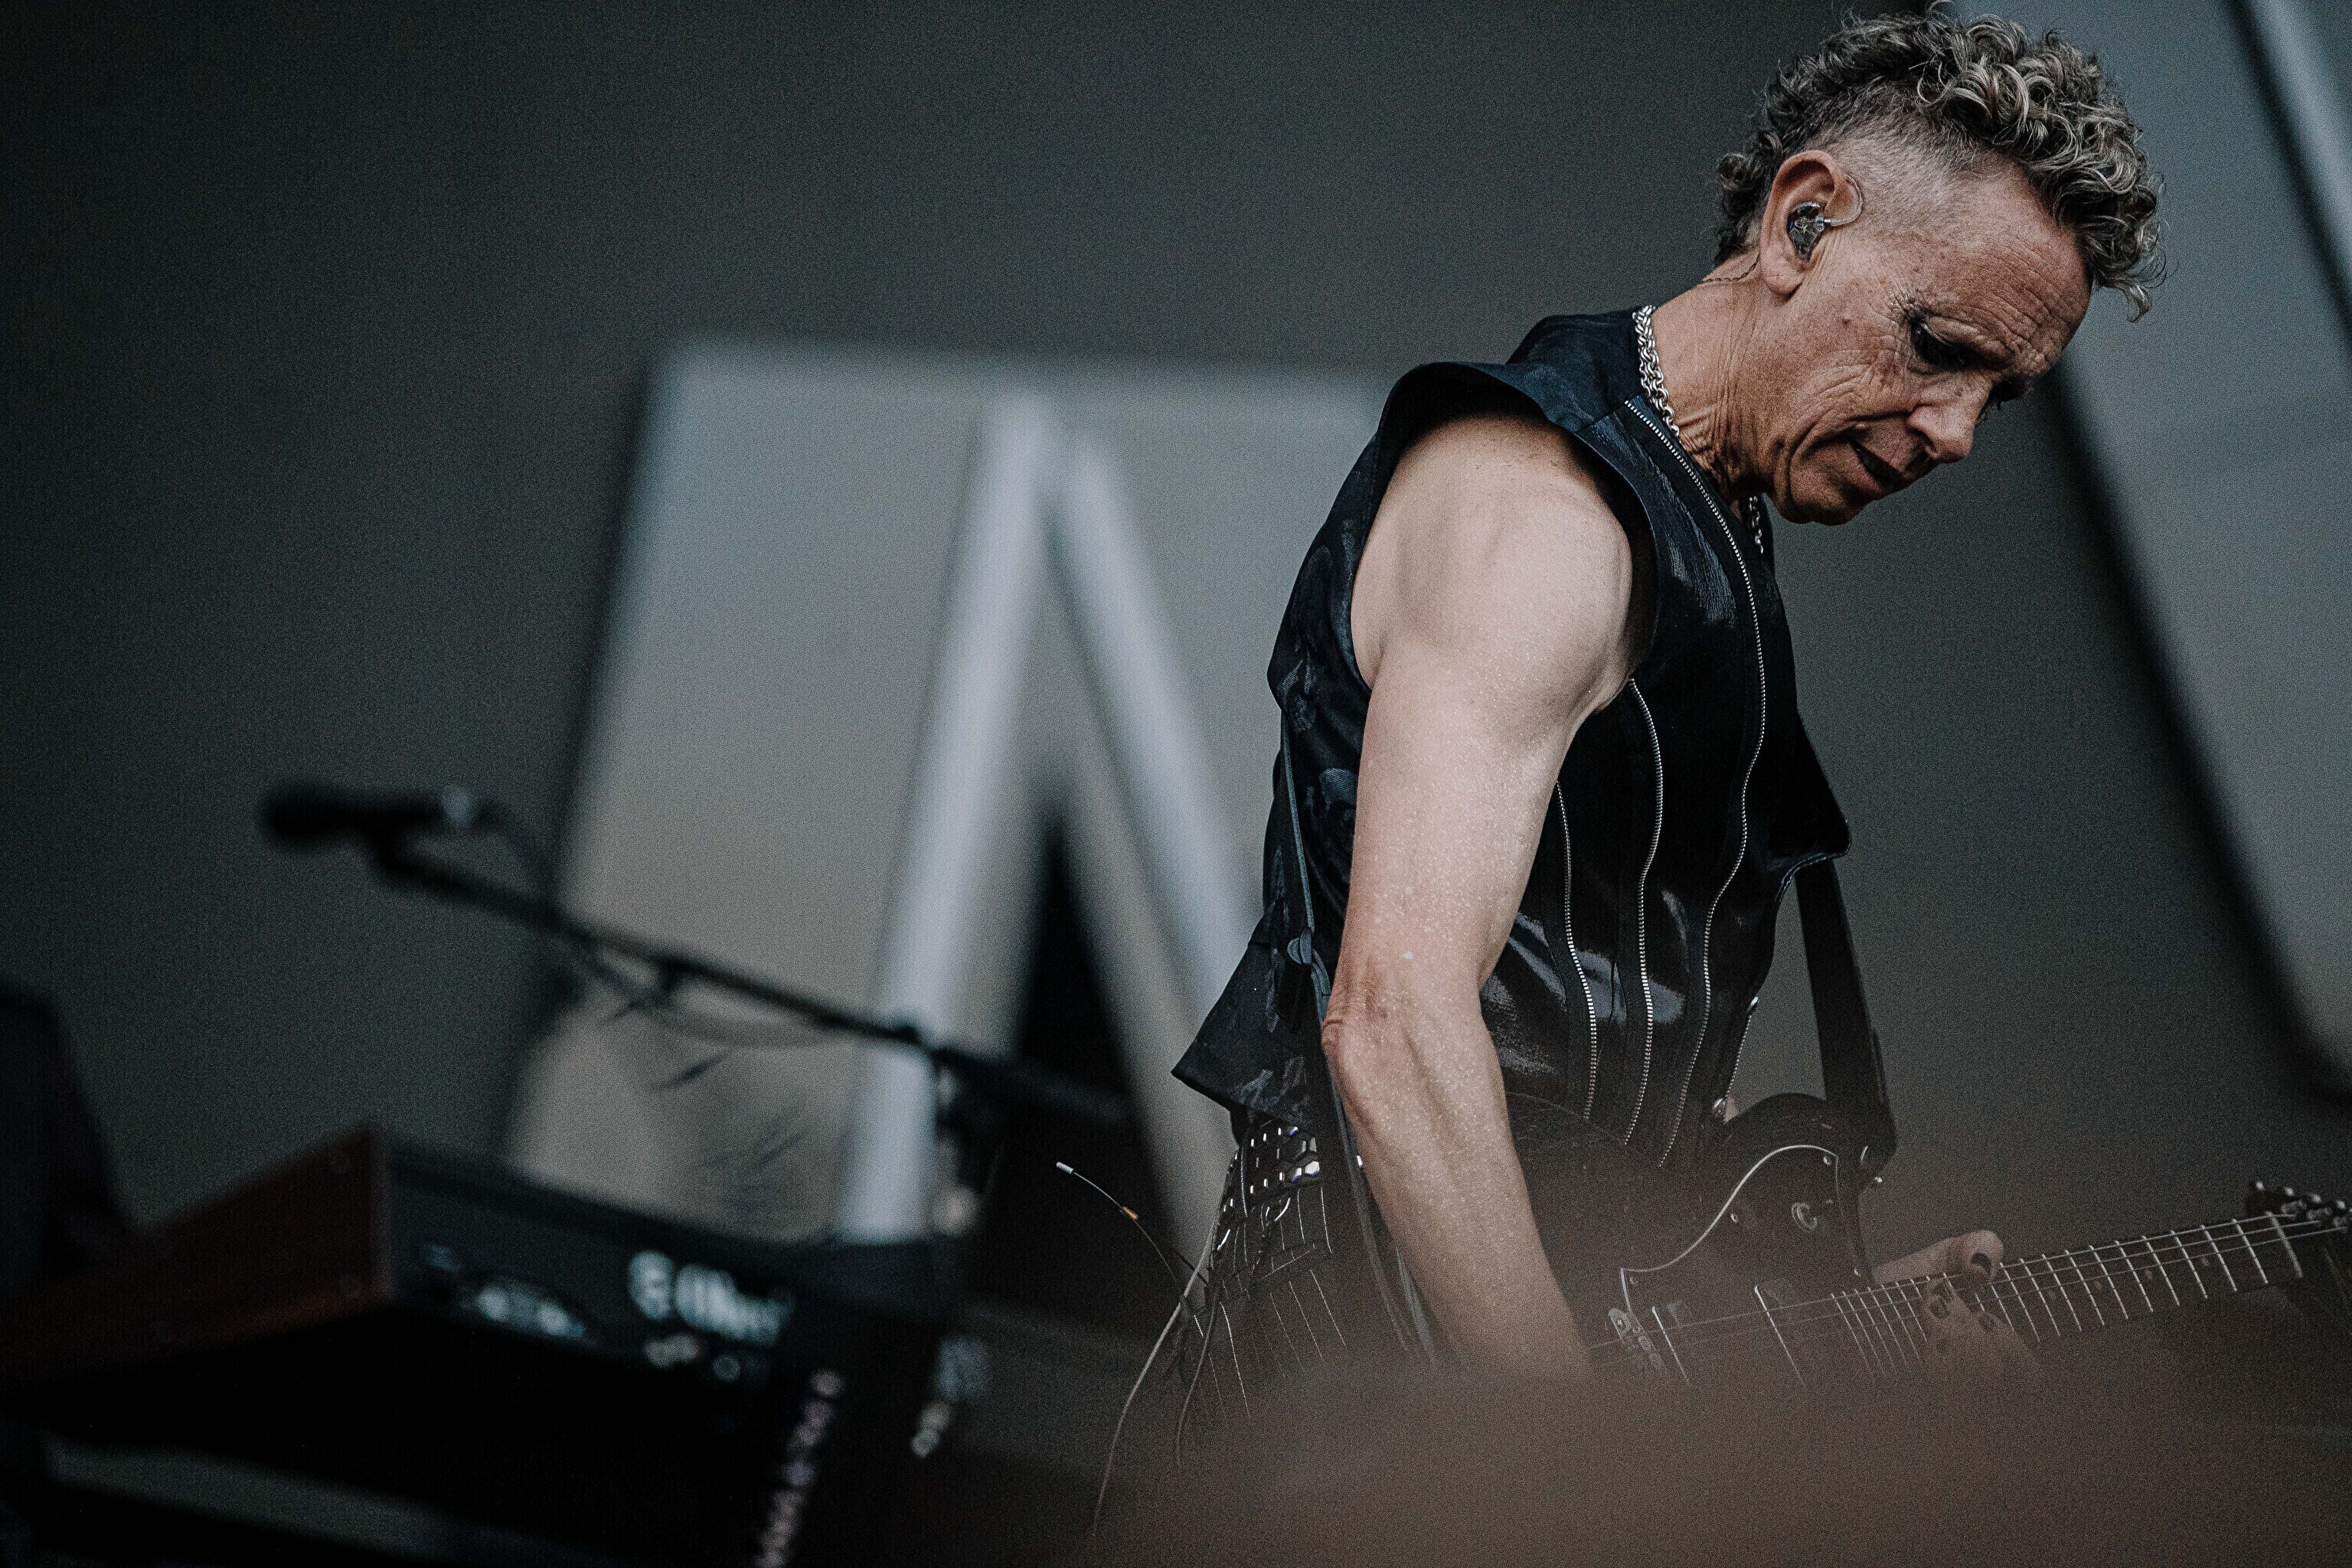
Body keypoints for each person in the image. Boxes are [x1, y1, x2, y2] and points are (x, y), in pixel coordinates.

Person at [1104, 8, 2164, 1504]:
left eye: (2001, 390)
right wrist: (1584, 1463)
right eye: (1939, 348)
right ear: (1802, 221)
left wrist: (1817, 1309)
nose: (1957, 431)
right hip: (1367, 1404)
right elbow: (1395, 1027)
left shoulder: (1696, 509)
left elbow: (1594, 1121)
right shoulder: (1545, 520)